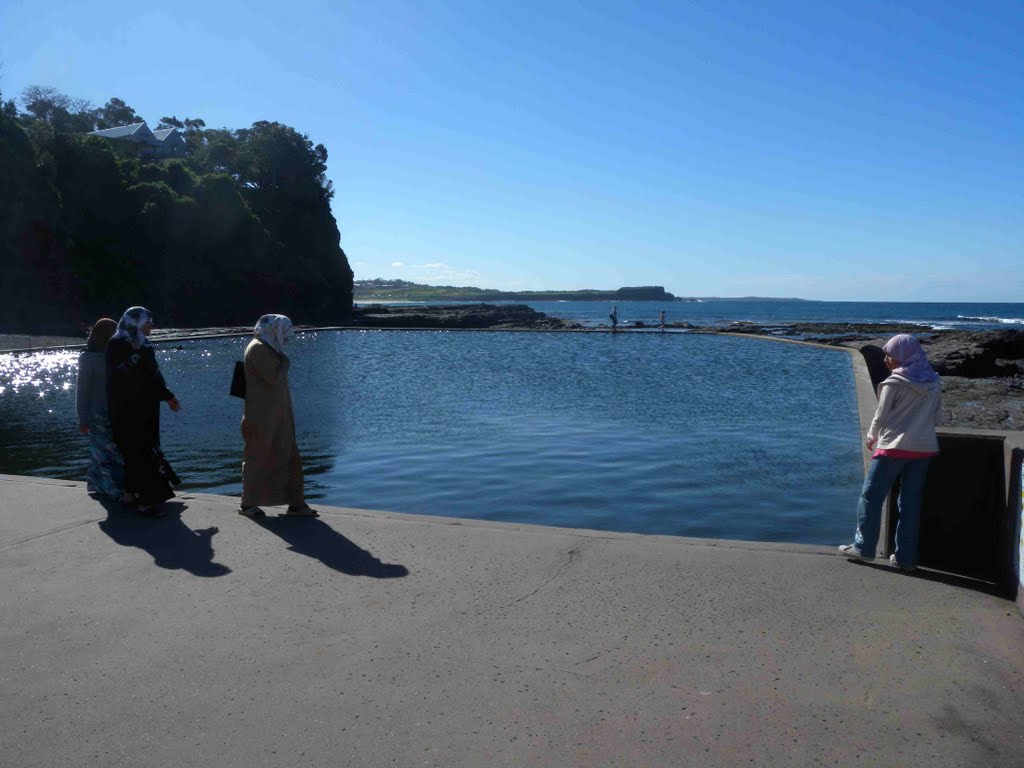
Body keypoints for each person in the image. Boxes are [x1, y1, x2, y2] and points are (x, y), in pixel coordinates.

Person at [839, 334, 942, 571]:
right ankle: (906, 558)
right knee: (910, 503)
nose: (886, 359)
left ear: (903, 356)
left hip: (893, 447)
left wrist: (871, 436)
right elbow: (937, 416)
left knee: (871, 497)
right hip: (924, 448)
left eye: (890, 355)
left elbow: (881, 416)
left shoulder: (894, 383)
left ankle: (864, 547)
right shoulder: (934, 381)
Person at [239, 314, 318, 518]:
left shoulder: (267, 348)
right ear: (274, 330)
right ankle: (248, 504)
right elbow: (273, 377)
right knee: (258, 456)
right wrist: (284, 361)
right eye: (285, 333)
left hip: (276, 415)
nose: (287, 339)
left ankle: (296, 504)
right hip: (262, 416)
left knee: (288, 456)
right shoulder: (258, 348)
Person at [106, 306, 181, 516]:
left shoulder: (119, 343)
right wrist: (167, 395)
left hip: (127, 408)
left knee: (133, 451)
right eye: (148, 321)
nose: (151, 325)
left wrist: (166, 395)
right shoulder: (132, 345)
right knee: (143, 451)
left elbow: (144, 376)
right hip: (135, 409)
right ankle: (147, 502)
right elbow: (148, 375)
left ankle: (130, 492)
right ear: (137, 323)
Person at [76, 318, 125, 499]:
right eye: (115, 331)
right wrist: (82, 417)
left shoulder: (118, 354)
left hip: (118, 411)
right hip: (98, 414)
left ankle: (101, 485)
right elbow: (82, 391)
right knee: (105, 453)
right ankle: (111, 488)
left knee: (108, 452)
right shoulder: (88, 358)